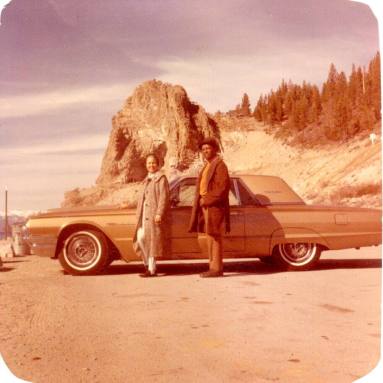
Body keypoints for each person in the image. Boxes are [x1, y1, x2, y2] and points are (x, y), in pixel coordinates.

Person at [188, 137, 230, 277]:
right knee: (210, 237)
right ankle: (213, 267)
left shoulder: (220, 165)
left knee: (215, 237)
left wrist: (205, 200)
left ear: (214, 149)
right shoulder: (208, 165)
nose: (206, 151)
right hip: (207, 207)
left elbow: (222, 189)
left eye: (208, 148)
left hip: (214, 207)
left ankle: (217, 269)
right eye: (203, 149)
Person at [133, 154, 170, 277]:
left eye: (153, 162)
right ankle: (147, 264)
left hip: (154, 214)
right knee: (140, 237)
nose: (151, 165)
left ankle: (151, 269)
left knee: (152, 241)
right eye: (149, 163)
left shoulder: (161, 178)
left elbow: (163, 197)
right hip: (143, 215)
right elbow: (140, 197)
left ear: (158, 164)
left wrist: (159, 213)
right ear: (146, 165)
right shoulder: (146, 179)